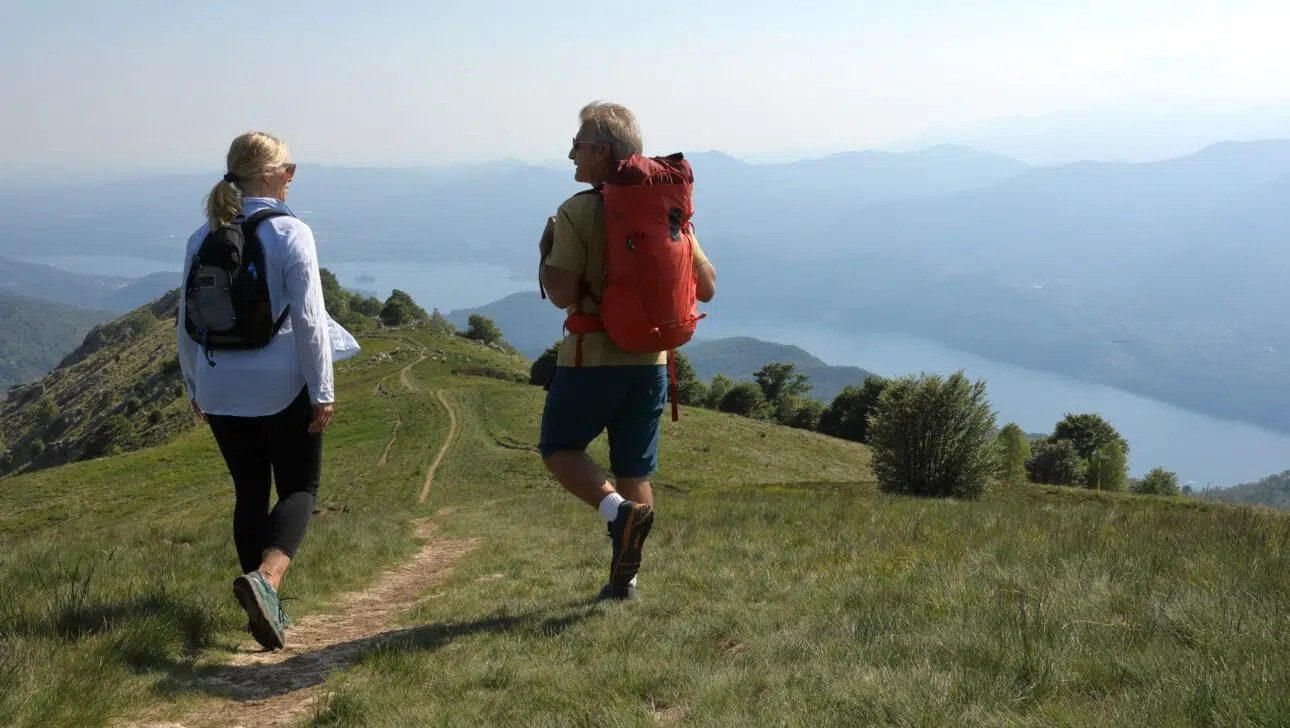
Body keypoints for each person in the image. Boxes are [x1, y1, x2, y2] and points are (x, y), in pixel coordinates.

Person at [538, 102, 717, 601]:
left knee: (560, 448)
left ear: (601, 151)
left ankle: (618, 513)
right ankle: (625, 582)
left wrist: (546, 249)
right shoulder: (668, 210)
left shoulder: (578, 210)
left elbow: (560, 292)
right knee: (634, 469)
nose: (571, 154)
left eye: (577, 145)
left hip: (590, 360)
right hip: (653, 365)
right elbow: (706, 287)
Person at [177, 131, 334, 650]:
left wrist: (196, 384)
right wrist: (322, 389)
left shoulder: (203, 237)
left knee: (249, 492)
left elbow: (185, 324)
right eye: (289, 169)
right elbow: (311, 321)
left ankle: (259, 613)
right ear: (267, 174)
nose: (292, 178)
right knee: (300, 488)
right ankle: (267, 581)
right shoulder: (291, 233)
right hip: (280, 385)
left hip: (220, 383)